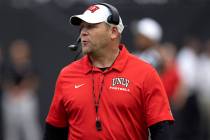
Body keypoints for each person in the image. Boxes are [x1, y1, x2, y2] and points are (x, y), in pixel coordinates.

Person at [43, 3, 174, 140]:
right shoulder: (67, 75)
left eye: (91, 26)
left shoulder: (145, 73)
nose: (83, 32)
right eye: (82, 27)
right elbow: (54, 131)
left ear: (113, 32)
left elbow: (161, 131)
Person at [2, 39, 42, 140]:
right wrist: (12, 88)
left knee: (29, 127)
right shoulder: (7, 67)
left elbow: (34, 82)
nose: (18, 53)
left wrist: (23, 88)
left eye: (20, 50)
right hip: (11, 98)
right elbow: (4, 81)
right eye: (16, 50)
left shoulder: (30, 66)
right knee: (11, 129)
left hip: (26, 98)